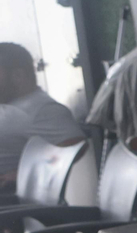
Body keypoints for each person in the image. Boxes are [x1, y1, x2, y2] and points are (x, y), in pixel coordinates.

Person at [0, 42, 83, 189]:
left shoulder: (43, 110)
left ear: (18, 76)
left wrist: (23, 172)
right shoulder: (10, 105)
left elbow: (75, 146)